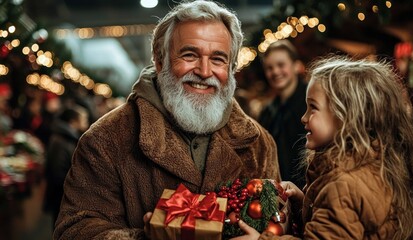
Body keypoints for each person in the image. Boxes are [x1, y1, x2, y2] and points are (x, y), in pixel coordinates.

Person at [53, 1, 280, 239]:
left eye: (217, 59)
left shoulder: (258, 144)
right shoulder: (105, 139)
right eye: (190, 55)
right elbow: (74, 230)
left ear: (231, 68)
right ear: (160, 61)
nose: (204, 71)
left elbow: (278, 220)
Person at [233, 55, 413, 240]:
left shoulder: (342, 185)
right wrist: (305, 202)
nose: (304, 117)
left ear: (348, 117)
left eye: (313, 107)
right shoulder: (375, 164)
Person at [258, 40, 307, 189]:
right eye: (269, 68)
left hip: (306, 191)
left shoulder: (311, 103)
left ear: (296, 66)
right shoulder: (267, 111)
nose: (275, 72)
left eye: (281, 65)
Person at [43, 106, 89, 229]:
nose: (86, 122)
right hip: (60, 196)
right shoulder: (61, 141)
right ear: (73, 122)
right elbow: (57, 173)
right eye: (83, 119)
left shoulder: (67, 138)